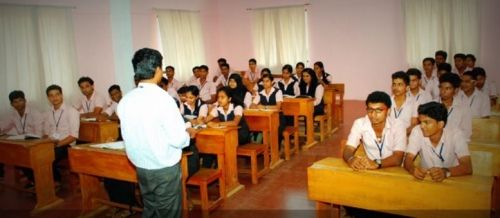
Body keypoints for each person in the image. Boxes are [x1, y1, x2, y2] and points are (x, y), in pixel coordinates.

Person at [117, 48, 196, 217]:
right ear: (158, 70)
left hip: (141, 166)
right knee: (168, 212)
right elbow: (177, 139)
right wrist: (188, 135)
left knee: (151, 209)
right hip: (164, 168)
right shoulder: (163, 99)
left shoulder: (126, 100)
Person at [22, 85, 80, 189]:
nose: (55, 98)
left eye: (57, 94)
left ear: (62, 95)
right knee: (26, 155)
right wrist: (41, 142)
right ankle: (38, 181)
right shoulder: (48, 113)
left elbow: (73, 136)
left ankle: (53, 180)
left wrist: (56, 144)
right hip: (51, 143)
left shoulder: (72, 111)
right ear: (48, 98)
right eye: (51, 96)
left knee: (45, 155)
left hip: (66, 144)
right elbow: (46, 133)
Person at [404, 102, 472, 182]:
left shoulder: (455, 134)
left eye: (426, 122)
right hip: (426, 180)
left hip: (451, 180)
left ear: (440, 124)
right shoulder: (417, 131)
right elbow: (408, 158)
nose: (422, 126)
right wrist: (413, 169)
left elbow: (467, 167)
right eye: (420, 122)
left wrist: (446, 172)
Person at [343, 91, 406, 170]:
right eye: (370, 110)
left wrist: (377, 163)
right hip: (371, 170)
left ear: (388, 111)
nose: (373, 115)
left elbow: (398, 159)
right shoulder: (360, 123)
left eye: (378, 110)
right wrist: (351, 159)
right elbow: (349, 148)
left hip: (394, 170)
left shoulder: (398, 125)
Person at [0, 90, 43, 180]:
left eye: (20, 100)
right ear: (11, 104)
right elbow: (2, 126)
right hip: (24, 144)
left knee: (20, 156)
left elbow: (39, 134)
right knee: (5, 150)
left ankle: (35, 180)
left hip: (37, 143)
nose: (18, 104)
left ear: (25, 100)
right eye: (15, 102)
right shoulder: (13, 115)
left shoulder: (35, 113)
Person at [203, 87, 251, 167]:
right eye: (218, 97)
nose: (219, 100)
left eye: (222, 97)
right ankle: (208, 170)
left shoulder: (237, 107)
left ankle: (220, 168)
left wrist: (218, 124)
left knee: (218, 144)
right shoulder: (218, 108)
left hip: (241, 135)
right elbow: (206, 120)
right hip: (226, 136)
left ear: (229, 99)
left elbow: (235, 123)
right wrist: (207, 123)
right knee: (210, 145)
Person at [250, 73, 286, 147]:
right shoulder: (261, 93)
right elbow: (252, 106)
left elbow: (278, 107)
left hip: (278, 119)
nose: (265, 83)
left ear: (272, 82)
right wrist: (256, 107)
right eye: (264, 81)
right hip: (265, 119)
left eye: (267, 81)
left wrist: (265, 107)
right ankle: (263, 149)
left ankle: (276, 150)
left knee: (276, 131)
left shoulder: (278, 91)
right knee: (255, 128)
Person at [436, 73, 472, 141]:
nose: (443, 91)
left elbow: (466, 133)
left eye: (447, 88)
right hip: (435, 143)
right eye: (441, 87)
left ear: (456, 90)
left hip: (455, 144)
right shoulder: (432, 104)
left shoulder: (464, 108)